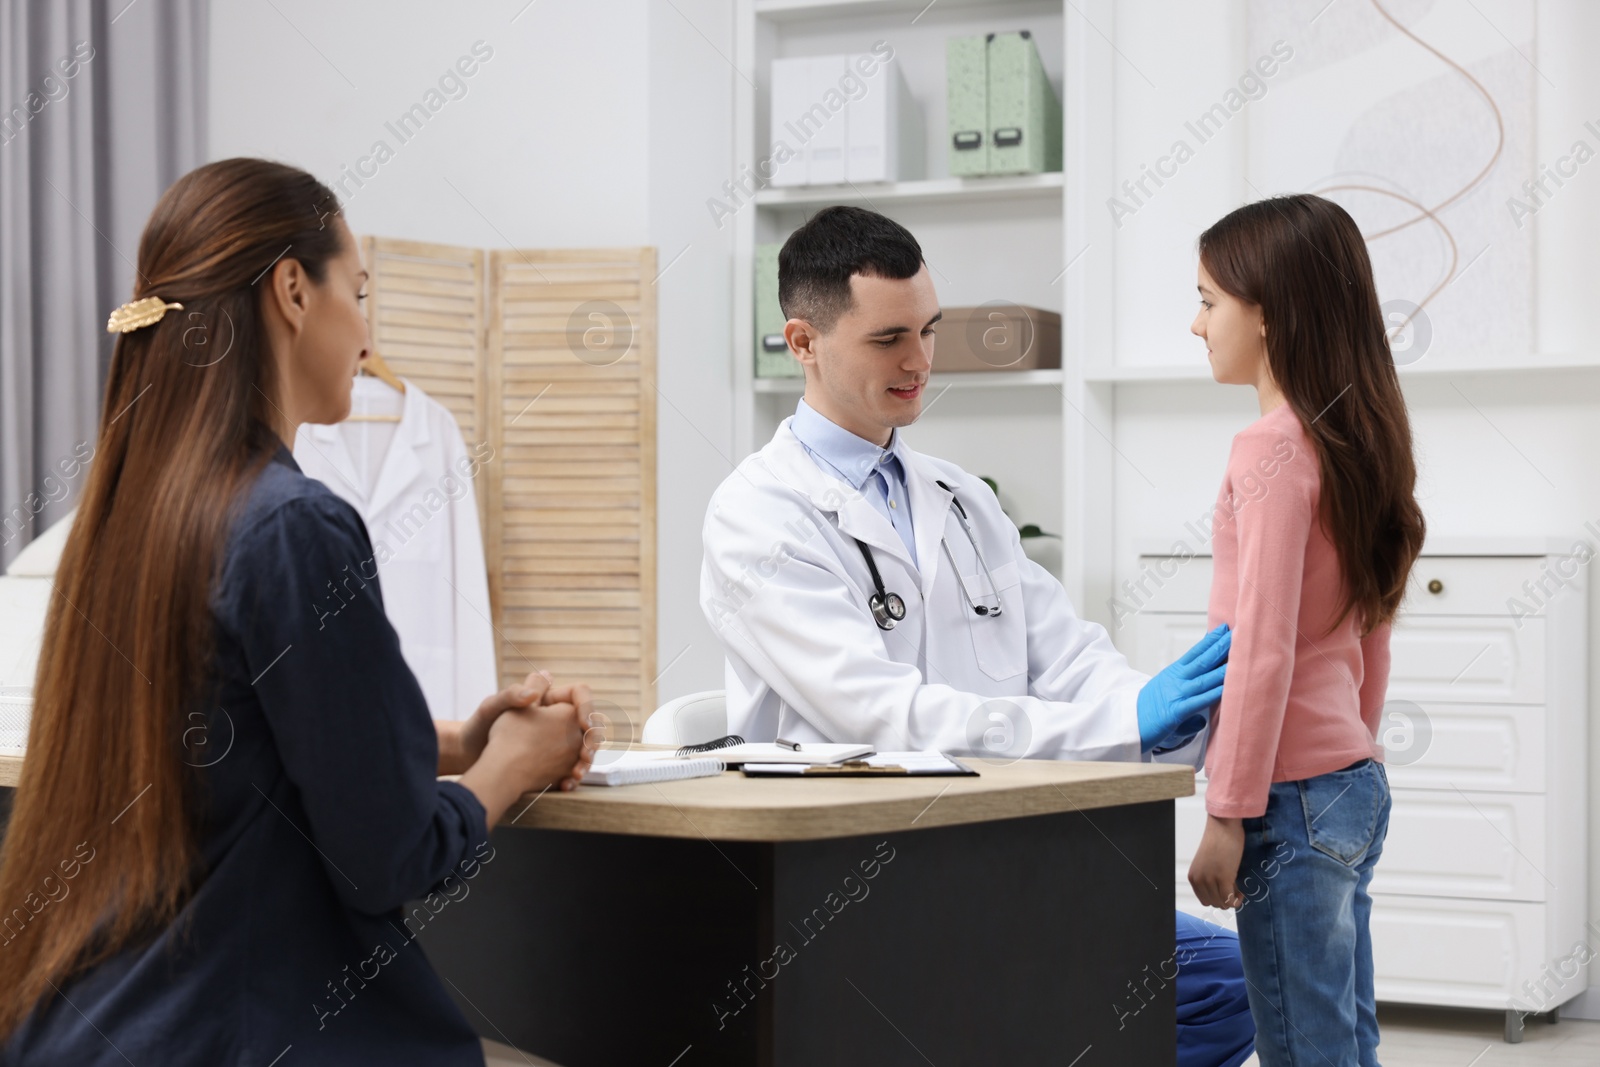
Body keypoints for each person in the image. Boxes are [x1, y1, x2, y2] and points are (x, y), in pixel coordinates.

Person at [0, 159, 595, 1065]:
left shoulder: (129, 518)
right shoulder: (294, 524)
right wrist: (513, 765)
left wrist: (453, 741)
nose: (368, 329)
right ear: (291, 290)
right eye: (357, 290)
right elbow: (389, 858)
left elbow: (234, 725)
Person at [700, 205, 1255, 1067]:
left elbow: (1064, 654)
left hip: (1000, 860)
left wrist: (1150, 707)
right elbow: (883, 716)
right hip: (858, 882)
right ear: (802, 342)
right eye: (889, 339)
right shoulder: (758, 514)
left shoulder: (959, 497)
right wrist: (1119, 730)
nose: (921, 361)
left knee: (1230, 982)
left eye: (929, 329)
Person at [1184, 194, 1425, 1067]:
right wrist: (1359, 745)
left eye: (1210, 300)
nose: (1197, 322)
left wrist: (1229, 809)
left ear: (1270, 313)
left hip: (1288, 796)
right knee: (1345, 1034)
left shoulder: (1269, 448)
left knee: (1303, 1046)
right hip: (1351, 782)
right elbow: (1374, 625)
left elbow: (1264, 645)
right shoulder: (1356, 437)